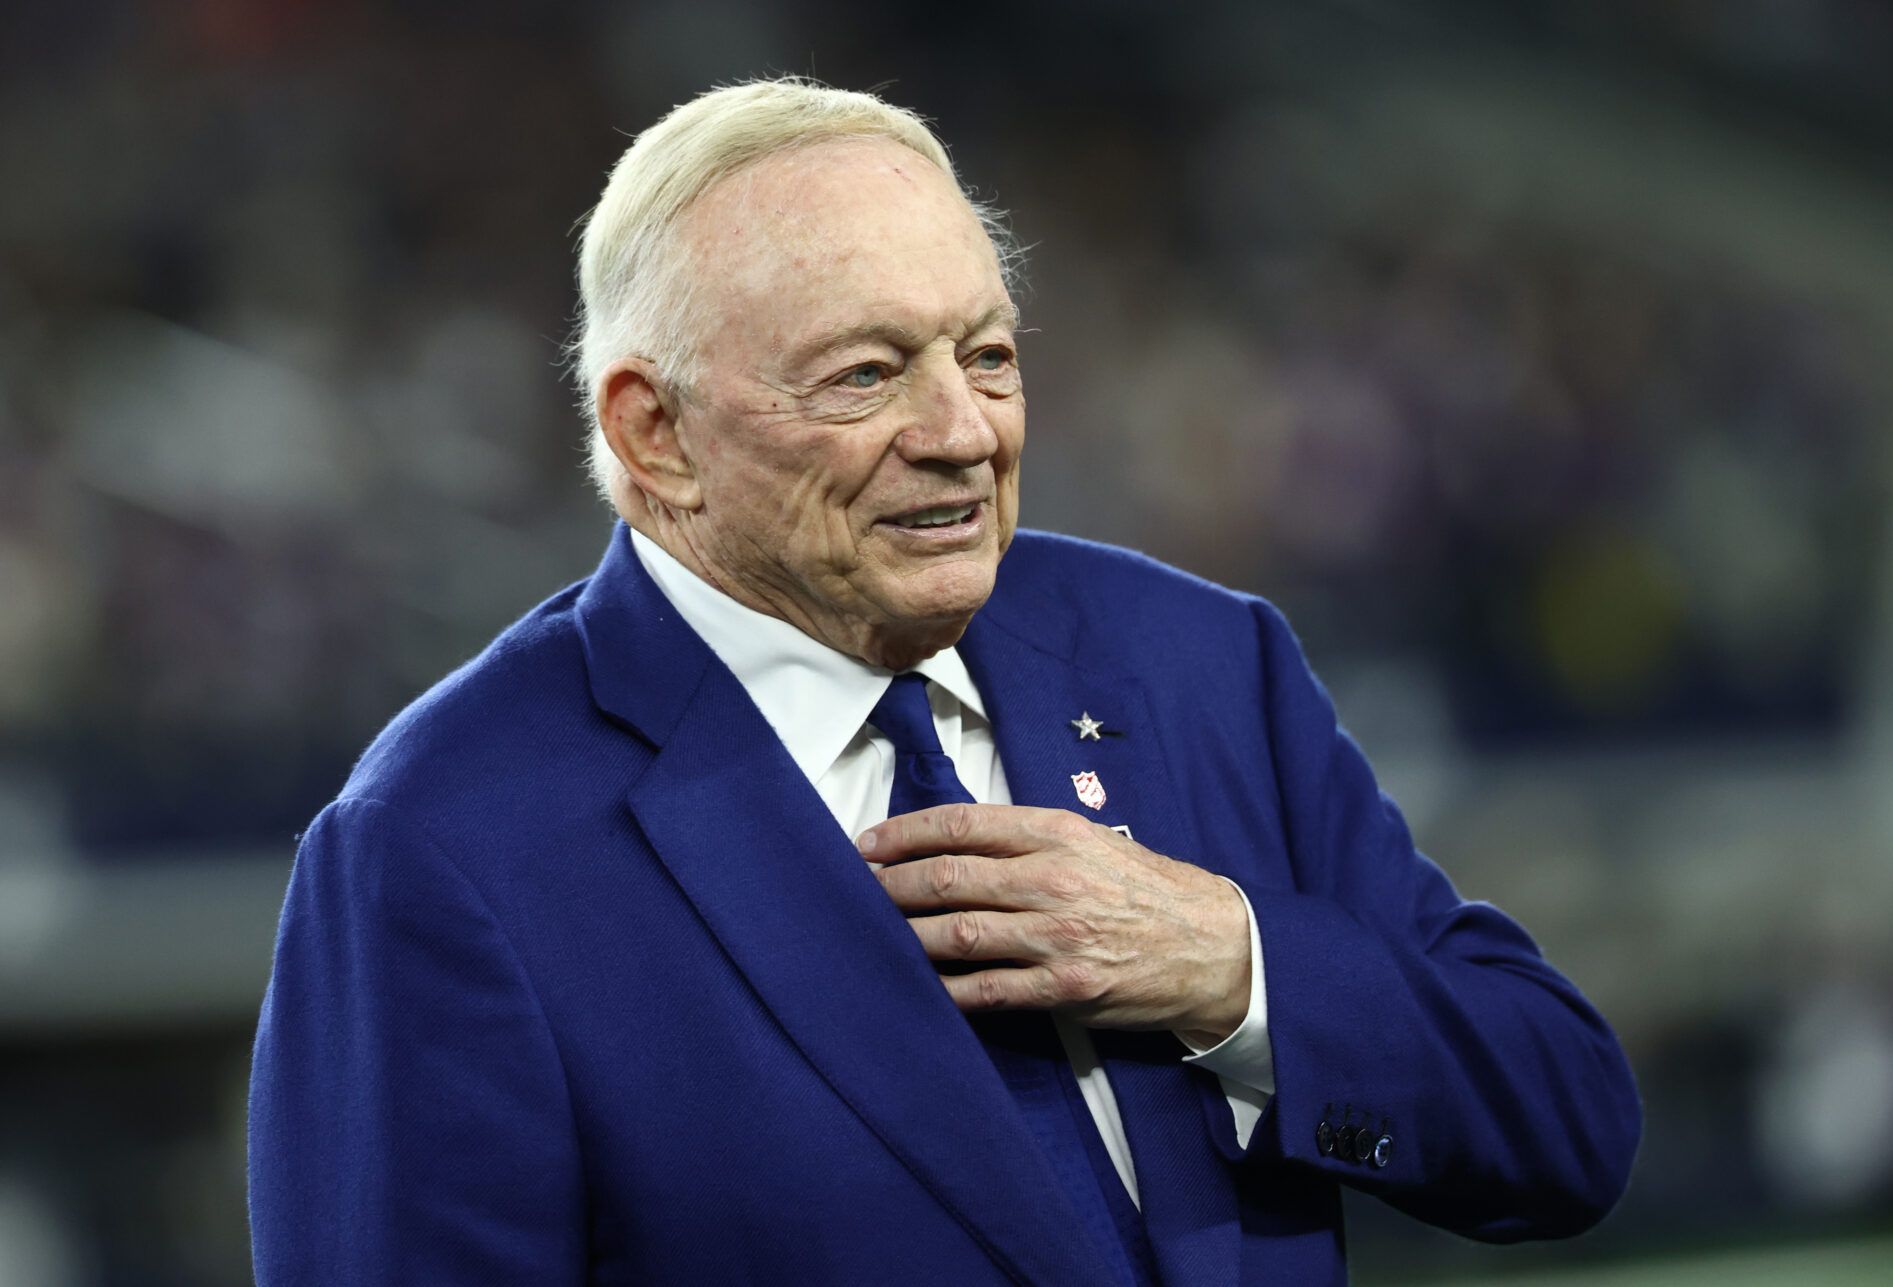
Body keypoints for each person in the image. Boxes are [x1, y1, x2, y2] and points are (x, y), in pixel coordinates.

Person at [247, 77, 1640, 1285]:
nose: (965, 431)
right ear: (654, 433)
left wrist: (1234, 971)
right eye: (866, 375)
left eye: (987, 355)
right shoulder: (442, 849)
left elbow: (1565, 1119)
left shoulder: (1196, 662)